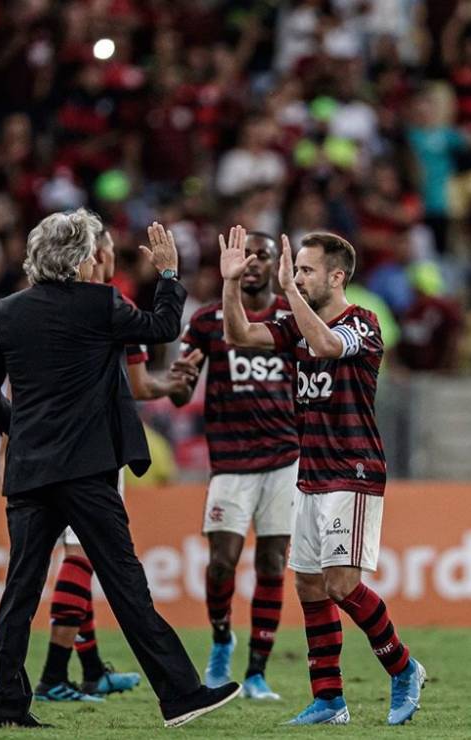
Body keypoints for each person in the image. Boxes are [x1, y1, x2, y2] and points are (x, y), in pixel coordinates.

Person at [0, 210, 239, 729]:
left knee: (20, 591)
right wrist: (168, 274)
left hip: (30, 471)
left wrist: (17, 430)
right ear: (80, 259)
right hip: (87, 471)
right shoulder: (99, 302)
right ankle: (180, 694)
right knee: (125, 584)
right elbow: (163, 328)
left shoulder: (8, 311)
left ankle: (7, 706)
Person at [219, 226, 426, 726]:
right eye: (297, 270)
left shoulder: (364, 323)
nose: (298, 278)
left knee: (340, 584)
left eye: (307, 270)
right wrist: (230, 283)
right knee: (310, 587)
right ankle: (330, 700)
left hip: (353, 470)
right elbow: (238, 335)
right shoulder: (296, 325)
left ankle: (404, 668)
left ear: (336, 277)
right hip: (310, 471)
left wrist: (289, 292)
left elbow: (328, 345)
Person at [24, 228, 199, 703]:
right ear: (91, 256)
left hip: (41, 451)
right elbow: (146, 371)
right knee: (84, 557)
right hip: (92, 451)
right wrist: (168, 275)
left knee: (67, 559)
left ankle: (88, 667)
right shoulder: (109, 305)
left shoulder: (37, 305)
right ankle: (54, 674)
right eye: (103, 249)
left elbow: (9, 383)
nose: (108, 256)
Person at [169, 231, 298, 701]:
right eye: (246, 255)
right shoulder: (207, 320)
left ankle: (257, 672)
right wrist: (179, 382)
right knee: (222, 563)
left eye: (263, 255)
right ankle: (222, 638)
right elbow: (181, 394)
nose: (253, 263)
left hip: (284, 458)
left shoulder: (292, 318)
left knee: (272, 562)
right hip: (230, 460)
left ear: (276, 265)